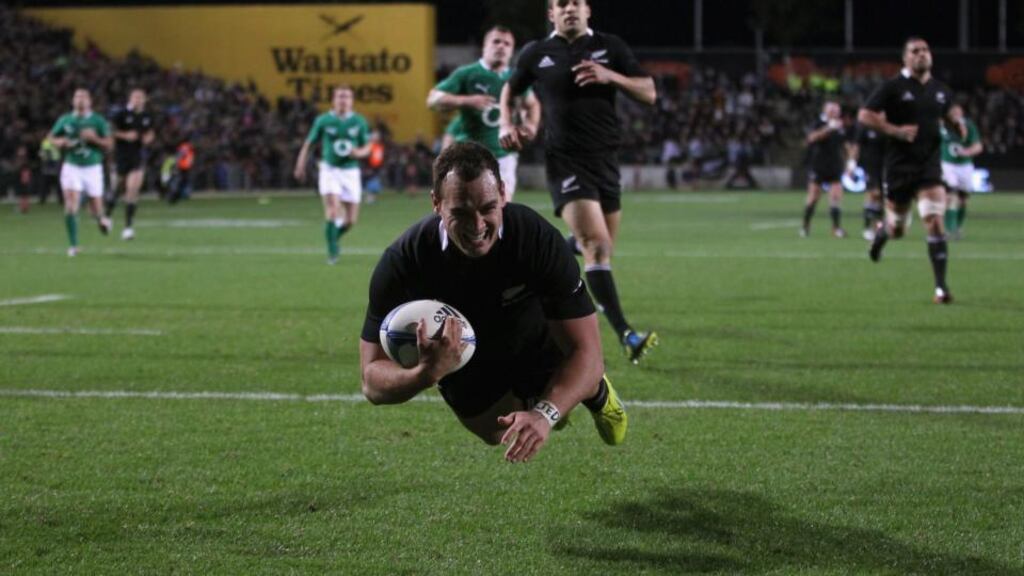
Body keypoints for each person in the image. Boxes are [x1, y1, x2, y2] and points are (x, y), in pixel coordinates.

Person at [359, 142, 627, 463]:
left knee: (572, 383)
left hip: (530, 329)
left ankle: (595, 393)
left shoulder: (536, 239)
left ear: (502, 193)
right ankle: (554, 394)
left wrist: (544, 414)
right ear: (436, 203)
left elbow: (589, 355)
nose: (477, 226)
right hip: (461, 350)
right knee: (497, 433)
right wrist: (424, 374)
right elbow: (371, 381)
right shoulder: (405, 261)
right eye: (460, 213)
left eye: (487, 208)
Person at [498, 0, 658, 363]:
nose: (568, 8)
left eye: (575, 2)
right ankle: (627, 334)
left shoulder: (610, 46)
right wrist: (506, 123)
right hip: (565, 161)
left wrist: (610, 76)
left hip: (606, 161)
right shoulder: (537, 53)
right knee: (597, 247)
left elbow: (649, 92)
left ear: (588, 10)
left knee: (600, 248)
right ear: (551, 14)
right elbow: (510, 90)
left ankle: (547, 252)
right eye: (560, 4)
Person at [859, 37, 964, 304]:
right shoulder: (892, 87)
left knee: (934, 219)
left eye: (925, 50)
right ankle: (882, 233)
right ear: (905, 58)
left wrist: (957, 125)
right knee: (897, 229)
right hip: (899, 167)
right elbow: (865, 115)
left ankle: (941, 288)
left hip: (929, 166)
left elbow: (952, 120)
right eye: (915, 51)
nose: (921, 54)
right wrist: (895, 130)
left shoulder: (941, 90)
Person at [427, 25, 540, 201]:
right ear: (485, 47)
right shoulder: (467, 73)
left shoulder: (515, 78)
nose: (501, 46)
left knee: (501, 207)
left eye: (507, 44)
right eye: (496, 42)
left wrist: (530, 126)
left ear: (511, 51)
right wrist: (466, 100)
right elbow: (433, 99)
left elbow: (532, 104)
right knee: (463, 206)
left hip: (503, 156)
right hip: (468, 156)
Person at [294, 86, 371, 265]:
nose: (343, 100)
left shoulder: (359, 121)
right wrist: (300, 165)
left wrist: (358, 153)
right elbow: (309, 143)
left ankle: (333, 237)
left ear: (352, 101)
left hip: (351, 171)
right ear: (333, 100)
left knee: (350, 220)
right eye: (340, 96)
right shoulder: (323, 120)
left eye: (347, 97)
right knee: (333, 209)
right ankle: (332, 251)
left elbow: (367, 147)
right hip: (330, 169)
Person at [45, 88, 114, 257]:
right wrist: (60, 142)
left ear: (90, 101)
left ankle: (101, 219)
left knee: (96, 208)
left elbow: (109, 144)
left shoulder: (98, 121)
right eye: (77, 96)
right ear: (73, 101)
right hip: (72, 167)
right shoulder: (65, 120)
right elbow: (51, 138)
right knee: (71, 204)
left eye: (84, 97)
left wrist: (94, 138)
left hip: (93, 168)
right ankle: (74, 245)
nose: (80, 99)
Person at [106, 88, 156, 240]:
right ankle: (107, 216)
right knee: (116, 189)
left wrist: (149, 138)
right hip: (120, 156)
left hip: (137, 157)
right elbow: (109, 129)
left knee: (132, 190)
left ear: (145, 100)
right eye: (135, 97)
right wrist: (124, 135)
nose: (137, 100)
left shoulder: (147, 116)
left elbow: (150, 132)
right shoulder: (121, 114)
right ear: (130, 99)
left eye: (140, 97)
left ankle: (128, 227)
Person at [800, 101, 847, 238]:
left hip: (835, 165)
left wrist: (849, 162)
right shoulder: (818, 123)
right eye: (832, 110)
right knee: (813, 197)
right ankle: (805, 226)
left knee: (835, 197)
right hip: (818, 165)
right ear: (825, 111)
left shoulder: (840, 126)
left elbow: (844, 144)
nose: (835, 113)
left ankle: (836, 228)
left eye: (837, 110)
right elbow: (811, 138)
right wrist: (828, 128)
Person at [940, 103, 982, 239]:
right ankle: (948, 229)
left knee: (963, 199)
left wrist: (967, 152)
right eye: (953, 112)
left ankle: (957, 227)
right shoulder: (942, 125)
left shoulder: (968, 125)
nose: (955, 114)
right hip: (948, 165)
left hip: (965, 166)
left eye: (958, 112)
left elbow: (978, 146)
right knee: (951, 194)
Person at [848, 122, 886, 241]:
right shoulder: (865, 128)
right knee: (873, 193)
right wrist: (851, 165)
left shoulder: (887, 126)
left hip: (885, 167)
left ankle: (878, 228)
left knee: (882, 198)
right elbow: (856, 146)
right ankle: (867, 228)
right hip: (869, 167)